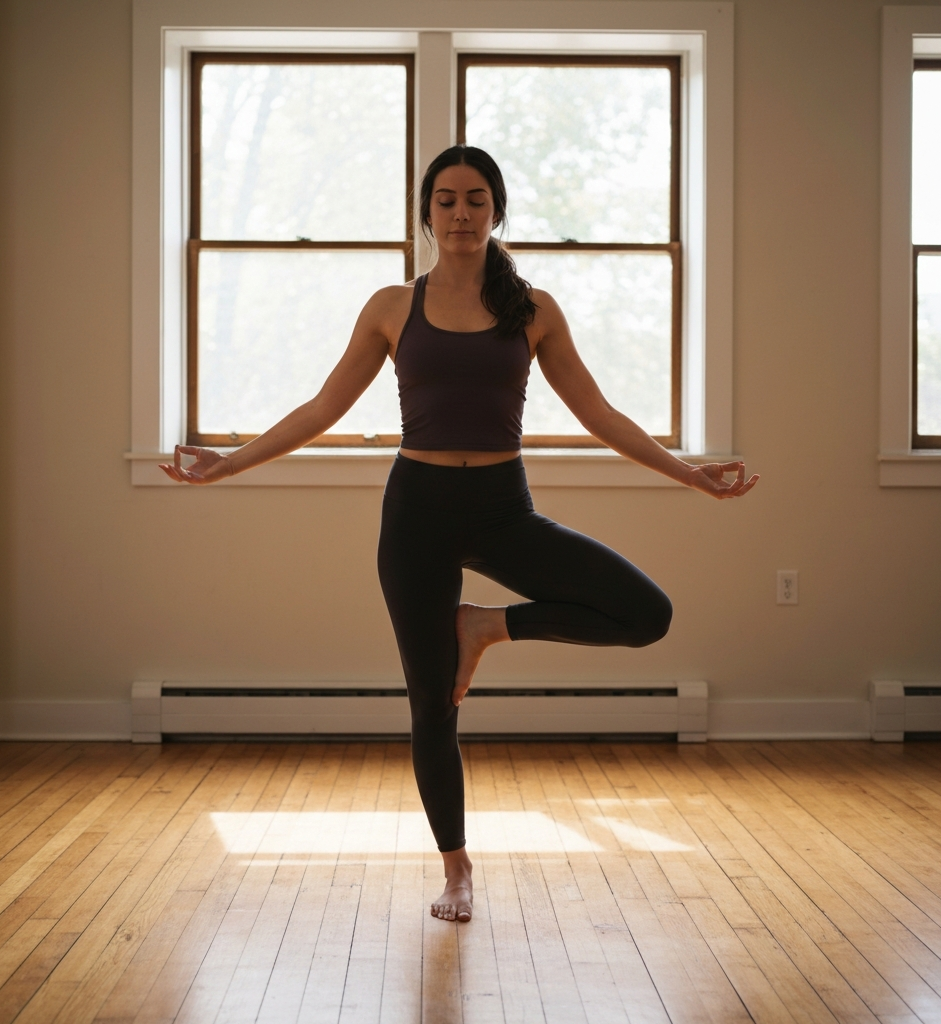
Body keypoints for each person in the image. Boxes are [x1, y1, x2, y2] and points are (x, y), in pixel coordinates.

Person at [161, 145, 758, 924]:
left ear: (497, 211)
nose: (461, 214)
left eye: (476, 199)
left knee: (647, 613)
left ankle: (486, 626)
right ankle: (457, 869)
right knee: (432, 704)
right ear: (426, 213)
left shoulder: (533, 310)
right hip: (418, 514)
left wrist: (690, 472)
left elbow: (601, 415)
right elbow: (321, 409)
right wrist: (227, 464)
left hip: (505, 509)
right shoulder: (390, 307)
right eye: (445, 200)